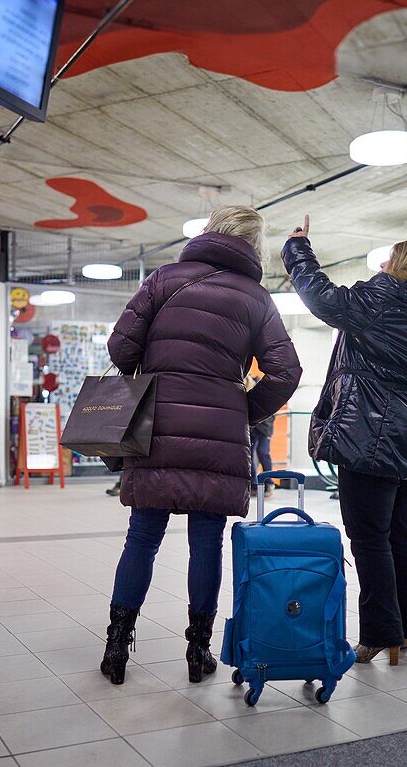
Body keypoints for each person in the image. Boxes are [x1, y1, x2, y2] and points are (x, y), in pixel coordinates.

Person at [101, 205, 302, 685]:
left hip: (156, 430)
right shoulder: (255, 298)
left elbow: (120, 348)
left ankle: (116, 648)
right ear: (255, 246)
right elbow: (286, 371)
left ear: (210, 232)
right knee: (205, 543)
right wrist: (243, 409)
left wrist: (156, 369)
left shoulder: (163, 279)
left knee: (142, 538)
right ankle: (198, 653)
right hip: (217, 439)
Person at [283, 216, 407, 666]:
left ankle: (381, 634)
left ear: (402, 267)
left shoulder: (387, 296)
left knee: (370, 538)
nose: (381, 263)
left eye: (389, 259)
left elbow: (323, 298)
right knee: (404, 534)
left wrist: (298, 249)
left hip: (371, 433)